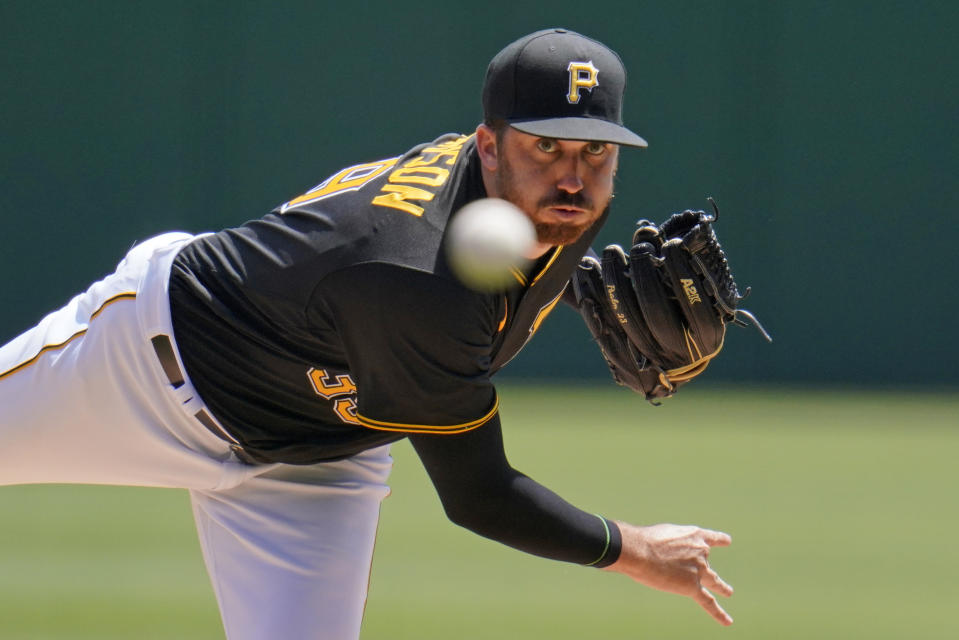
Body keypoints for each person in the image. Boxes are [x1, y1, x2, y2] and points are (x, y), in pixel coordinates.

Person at [0, 28, 734, 639]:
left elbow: (498, 267)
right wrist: (633, 549)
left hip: (318, 457)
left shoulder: (549, 208)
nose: (572, 177)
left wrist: (580, 289)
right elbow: (479, 495)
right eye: (545, 147)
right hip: (149, 369)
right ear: (487, 146)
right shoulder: (415, 278)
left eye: (594, 151)